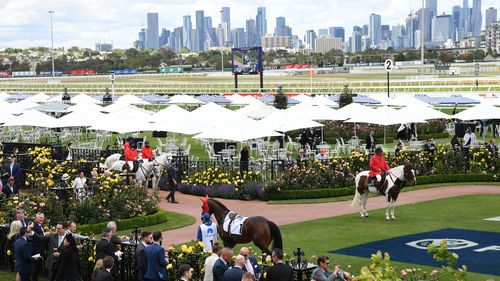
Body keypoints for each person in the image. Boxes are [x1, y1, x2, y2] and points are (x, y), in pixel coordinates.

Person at [31, 213, 46, 281]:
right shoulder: (33, 226)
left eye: (43, 218)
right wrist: (46, 236)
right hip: (35, 251)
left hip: (40, 250)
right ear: (36, 218)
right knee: (34, 268)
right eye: (40, 217)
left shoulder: (41, 225)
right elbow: (38, 237)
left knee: (38, 268)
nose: (42, 219)